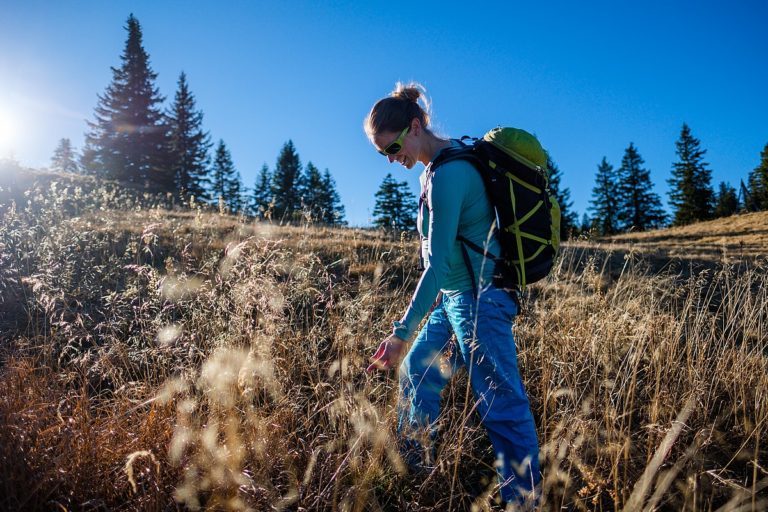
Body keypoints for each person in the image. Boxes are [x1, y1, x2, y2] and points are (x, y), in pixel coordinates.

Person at [363, 82, 541, 507]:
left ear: (416, 124)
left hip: (481, 300)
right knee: (417, 374)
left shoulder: (450, 174)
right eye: (383, 154)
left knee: (501, 404)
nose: (392, 160)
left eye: (393, 147)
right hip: (455, 300)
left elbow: (438, 263)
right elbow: (442, 266)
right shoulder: (433, 172)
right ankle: (417, 475)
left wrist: (401, 333)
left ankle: (524, 501)